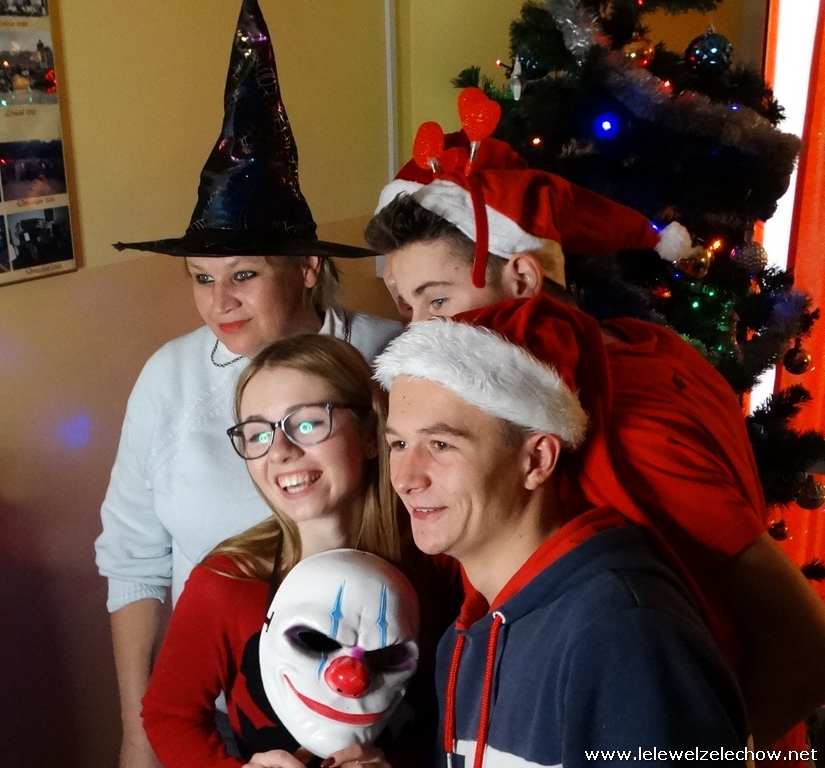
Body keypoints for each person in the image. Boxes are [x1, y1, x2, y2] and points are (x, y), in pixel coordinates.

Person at [364, 105, 825, 753]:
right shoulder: (617, 351)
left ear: (523, 279)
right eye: (407, 308)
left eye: (438, 301)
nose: (420, 332)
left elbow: (800, 643)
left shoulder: (627, 420)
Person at [95, 3, 401, 766]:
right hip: (220, 721)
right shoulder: (169, 379)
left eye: (243, 275)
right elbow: (133, 560)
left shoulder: (390, 359)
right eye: (202, 279)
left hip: (379, 700)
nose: (218, 302)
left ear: (307, 269)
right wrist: (138, 732)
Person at [375, 306, 749, 767]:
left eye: (441, 444)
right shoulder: (463, 637)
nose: (406, 478)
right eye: (398, 444)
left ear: (537, 460)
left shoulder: (623, 634)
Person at [142, 335, 403, 768]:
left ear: (369, 434)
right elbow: (168, 714)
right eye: (259, 434)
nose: (280, 452)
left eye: (308, 424)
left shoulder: (436, 565)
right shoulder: (226, 582)